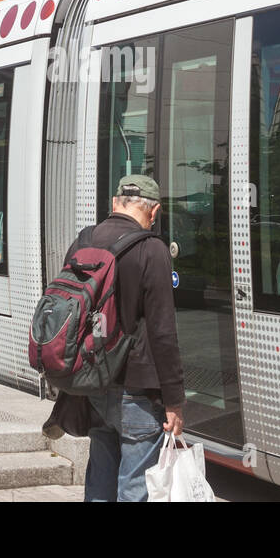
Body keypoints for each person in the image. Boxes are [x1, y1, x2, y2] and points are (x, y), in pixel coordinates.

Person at [83, 175, 185, 502]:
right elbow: (162, 332)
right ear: (154, 212)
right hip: (138, 390)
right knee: (134, 487)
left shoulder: (85, 239)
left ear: (114, 204)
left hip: (94, 381)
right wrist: (174, 400)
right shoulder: (152, 249)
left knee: (100, 476)